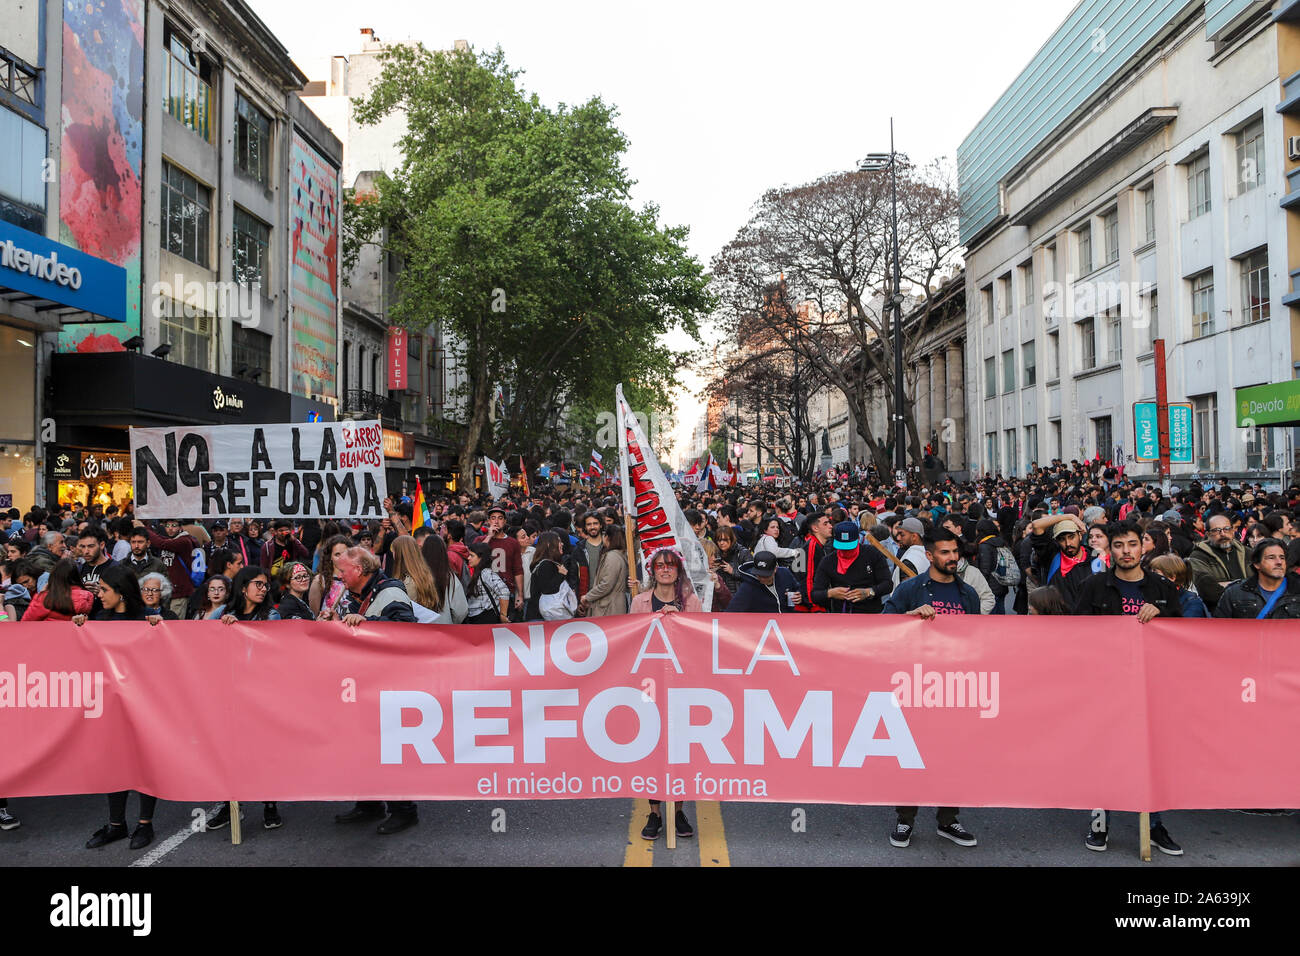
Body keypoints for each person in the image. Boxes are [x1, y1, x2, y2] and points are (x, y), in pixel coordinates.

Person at [1071, 520, 1182, 856]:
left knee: (1152, 755)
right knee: (1105, 753)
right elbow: (1077, 636)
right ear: (1110, 549)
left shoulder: (1161, 588)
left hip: (1152, 684)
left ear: (1142, 546)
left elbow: (1183, 635)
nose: (1126, 551)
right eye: (1119, 545)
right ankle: (1100, 819)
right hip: (1107, 685)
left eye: (1132, 544)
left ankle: (1155, 824)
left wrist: (1160, 615)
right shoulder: (1094, 587)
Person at [882, 528, 980, 849]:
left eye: (955, 552)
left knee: (954, 756)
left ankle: (948, 819)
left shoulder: (968, 595)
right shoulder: (910, 590)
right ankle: (905, 819)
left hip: (955, 687)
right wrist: (909, 619)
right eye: (945, 552)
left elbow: (977, 640)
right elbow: (883, 628)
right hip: (916, 686)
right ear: (929, 556)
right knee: (912, 755)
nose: (952, 558)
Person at [330, 546, 419, 835]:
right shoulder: (357, 593)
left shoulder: (390, 592)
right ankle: (369, 804)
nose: (340, 576)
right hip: (368, 683)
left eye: (343, 571)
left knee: (389, 749)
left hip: (388, 685)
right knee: (365, 747)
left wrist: (369, 623)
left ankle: (404, 811)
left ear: (359, 570)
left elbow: (406, 631)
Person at [74, 565, 161, 850]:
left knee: (144, 762)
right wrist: (78, 630)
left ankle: (145, 825)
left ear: (121, 593)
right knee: (113, 762)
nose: (98, 595)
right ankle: (116, 825)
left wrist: (159, 628)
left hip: (144, 706)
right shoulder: (99, 619)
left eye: (104, 590)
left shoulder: (147, 620)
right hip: (110, 706)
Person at [628, 547, 698, 842]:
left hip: (681, 685)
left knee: (680, 750)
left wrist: (679, 618)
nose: (665, 569)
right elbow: (629, 640)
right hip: (648, 686)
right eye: (659, 565)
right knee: (652, 749)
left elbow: (700, 642)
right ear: (652, 570)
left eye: (670, 565)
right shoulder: (639, 601)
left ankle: (679, 809)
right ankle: (655, 812)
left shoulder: (691, 601)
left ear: (678, 570)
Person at [811, 520, 893, 613]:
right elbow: (815, 595)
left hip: (870, 614)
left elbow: (888, 584)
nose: (846, 551)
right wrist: (830, 593)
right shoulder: (828, 561)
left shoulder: (872, 554)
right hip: (841, 615)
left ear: (858, 539)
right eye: (842, 548)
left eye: (850, 547)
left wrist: (869, 592)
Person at [1212, 538, 1300, 619]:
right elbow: (1220, 629)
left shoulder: (1297, 590)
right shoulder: (1235, 593)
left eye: (1282, 558)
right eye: (1271, 558)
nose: (1279, 562)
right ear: (1257, 564)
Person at [1187, 513, 1249, 614]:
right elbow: (1209, 591)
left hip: (1252, 615)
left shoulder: (1248, 553)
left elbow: (1261, 584)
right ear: (1207, 534)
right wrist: (1243, 585)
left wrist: (1226, 584)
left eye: (1227, 529)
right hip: (1219, 616)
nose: (1223, 534)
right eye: (1216, 530)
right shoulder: (1198, 556)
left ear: (1233, 531)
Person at [139, 519, 198, 617]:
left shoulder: (184, 541)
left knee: (174, 625)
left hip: (180, 593)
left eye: (174, 525)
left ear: (180, 527)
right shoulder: (172, 539)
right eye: (167, 526)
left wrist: (144, 529)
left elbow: (162, 543)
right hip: (168, 591)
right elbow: (161, 538)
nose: (170, 529)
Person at [579, 524, 629, 617]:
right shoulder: (619, 555)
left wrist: (588, 596)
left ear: (607, 537)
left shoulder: (612, 557)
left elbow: (606, 584)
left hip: (609, 607)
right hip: (612, 605)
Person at [22, 559, 95, 621]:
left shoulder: (46, 598)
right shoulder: (87, 597)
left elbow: (27, 621)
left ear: (54, 576)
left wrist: (40, 596)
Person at [420, 534, 468, 624]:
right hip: (444, 631)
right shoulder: (450, 578)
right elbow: (461, 611)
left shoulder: (417, 577)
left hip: (421, 631)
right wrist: (452, 623)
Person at [524, 532, 570, 621]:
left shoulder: (545, 563)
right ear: (549, 545)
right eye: (559, 541)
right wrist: (561, 574)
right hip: (540, 617)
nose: (562, 544)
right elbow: (548, 589)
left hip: (542, 615)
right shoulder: (546, 565)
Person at [463, 541, 511, 625]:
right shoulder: (479, 572)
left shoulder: (485, 572)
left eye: (472, 555)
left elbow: (504, 591)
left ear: (481, 558)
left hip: (485, 617)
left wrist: (503, 615)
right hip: (479, 617)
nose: (468, 558)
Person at [389, 535, 439, 615]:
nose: (392, 554)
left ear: (400, 554)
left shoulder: (408, 583)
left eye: (394, 550)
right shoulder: (424, 574)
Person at [211, 566, 280, 622]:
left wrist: (238, 627)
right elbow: (206, 633)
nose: (264, 589)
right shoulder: (222, 611)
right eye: (259, 584)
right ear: (243, 588)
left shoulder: (271, 616)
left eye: (266, 585)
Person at [310, 534, 352, 616]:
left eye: (344, 553)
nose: (341, 558)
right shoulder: (320, 580)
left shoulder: (356, 577)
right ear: (330, 557)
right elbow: (314, 615)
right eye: (337, 554)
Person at [712, 526, 752, 596]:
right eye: (719, 540)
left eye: (724, 540)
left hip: (740, 596)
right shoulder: (716, 553)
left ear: (731, 539)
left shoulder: (743, 553)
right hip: (722, 595)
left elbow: (751, 576)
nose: (721, 543)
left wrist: (733, 571)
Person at [890, 517, 930, 586]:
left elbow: (907, 592)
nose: (898, 538)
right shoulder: (928, 553)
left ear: (914, 536)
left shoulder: (910, 560)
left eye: (902, 535)